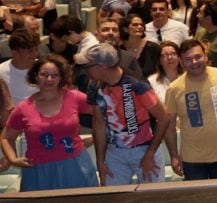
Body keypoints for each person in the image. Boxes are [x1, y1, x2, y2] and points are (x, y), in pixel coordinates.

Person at [0, 55, 99, 191]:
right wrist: (12, 159)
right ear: (35, 76)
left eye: (55, 75)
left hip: (76, 167)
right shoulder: (23, 108)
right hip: (38, 172)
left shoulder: (75, 97)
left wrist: (96, 136)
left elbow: (102, 114)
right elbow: (6, 137)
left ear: (61, 77)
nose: (49, 79)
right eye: (44, 74)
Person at [78, 43, 171, 185]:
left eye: (87, 65)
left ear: (101, 66)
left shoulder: (137, 83)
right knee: (112, 197)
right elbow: (99, 123)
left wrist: (150, 154)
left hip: (144, 148)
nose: (84, 69)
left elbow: (163, 117)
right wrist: (100, 161)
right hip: (114, 151)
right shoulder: (95, 86)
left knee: (153, 198)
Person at [163, 39, 217, 180]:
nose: (194, 62)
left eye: (198, 57)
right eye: (188, 59)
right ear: (181, 61)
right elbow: (169, 126)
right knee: (197, 201)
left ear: (206, 56)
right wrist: (173, 155)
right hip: (192, 160)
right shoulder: (174, 89)